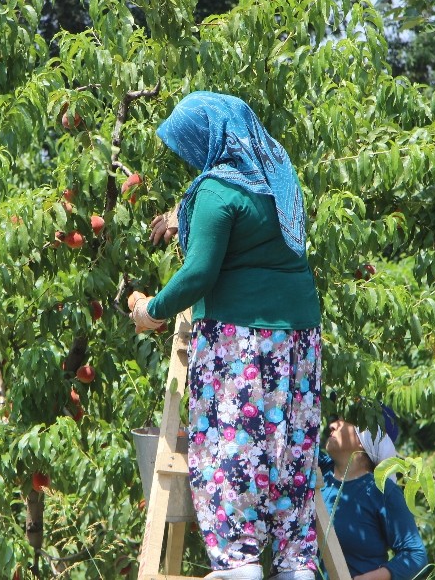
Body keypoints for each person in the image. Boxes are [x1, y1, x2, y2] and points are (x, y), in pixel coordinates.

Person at [129, 91, 323, 580]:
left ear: (208, 139)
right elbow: (243, 220)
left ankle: (238, 564)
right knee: (287, 445)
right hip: (298, 340)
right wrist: (182, 214)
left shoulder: (216, 189)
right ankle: (296, 563)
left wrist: (149, 310)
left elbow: (198, 275)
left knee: (230, 444)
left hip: (242, 341)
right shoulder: (278, 176)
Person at [319, 417, 428, 580]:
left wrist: (369, 578)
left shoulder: (381, 491)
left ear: (364, 437)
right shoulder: (318, 470)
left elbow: (416, 555)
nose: (332, 425)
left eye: (342, 422)